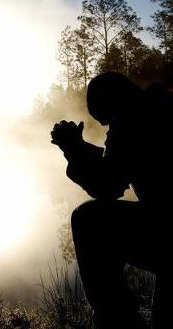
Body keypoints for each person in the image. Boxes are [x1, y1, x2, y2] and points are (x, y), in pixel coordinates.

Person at [51, 71, 173, 329]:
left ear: (114, 104)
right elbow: (118, 162)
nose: (108, 130)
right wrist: (80, 148)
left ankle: (116, 321)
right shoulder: (157, 108)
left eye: (107, 123)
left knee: (88, 220)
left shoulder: (133, 119)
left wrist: (73, 150)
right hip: (166, 225)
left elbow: (107, 185)